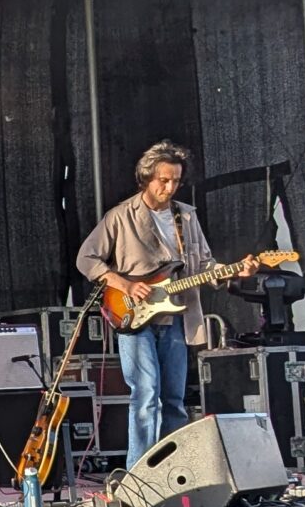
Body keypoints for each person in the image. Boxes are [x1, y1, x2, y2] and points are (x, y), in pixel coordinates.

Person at [76, 142, 254, 462]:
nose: (170, 187)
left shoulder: (186, 216)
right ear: (146, 178)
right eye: (163, 180)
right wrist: (125, 285)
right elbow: (86, 259)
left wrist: (234, 270)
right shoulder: (120, 216)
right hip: (133, 316)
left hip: (176, 316)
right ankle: (138, 473)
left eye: (175, 181)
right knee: (145, 395)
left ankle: (173, 468)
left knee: (174, 398)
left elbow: (204, 265)